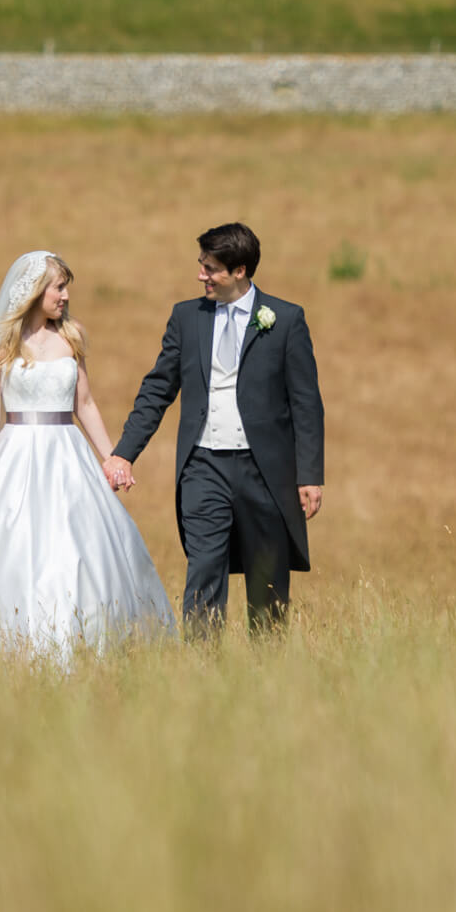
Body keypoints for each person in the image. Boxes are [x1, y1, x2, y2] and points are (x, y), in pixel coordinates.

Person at [0, 250, 176, 660]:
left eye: (66, 287)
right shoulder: (3, 345)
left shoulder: (72, 337)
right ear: (35, 292)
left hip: (68, 455)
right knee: (10, 546)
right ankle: (9, 645)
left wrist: (112, 458)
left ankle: (80, 640)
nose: (65, 296)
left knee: (75, 546)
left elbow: (84, 403)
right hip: (14, 454)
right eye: (59, 287)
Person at [103, 223, 325, 639]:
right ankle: (201, 671)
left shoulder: (287, 320)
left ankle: (268, 677)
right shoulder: (186, 318)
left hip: (266, 474)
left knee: (268, 582)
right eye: (201, 266)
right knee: (203, 569)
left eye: (211, 269)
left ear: (240, 271)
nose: (201, 275)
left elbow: (306, 403)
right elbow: (158, 389)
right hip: (202, 468)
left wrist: (310, 475)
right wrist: (124, 452)